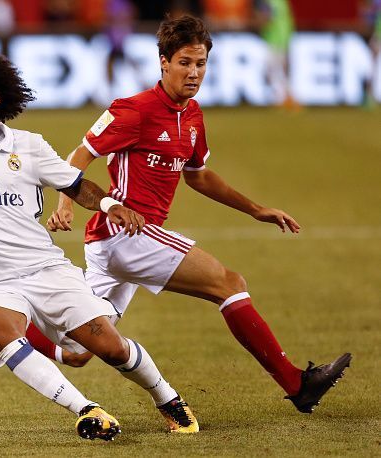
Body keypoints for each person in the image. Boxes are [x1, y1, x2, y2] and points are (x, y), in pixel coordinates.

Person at [0, 47, 200, 439]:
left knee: (105, 349)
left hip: (45, 269)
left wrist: (111, 204)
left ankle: (168, 399)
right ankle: (87, 410)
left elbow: (76, 184)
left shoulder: (27, 145)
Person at [43, 15, 349, 414]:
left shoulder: (192, 115)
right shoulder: (132, 111)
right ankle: (297, 383)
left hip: (114, 246)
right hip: (126, 231)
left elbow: (199, 177)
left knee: (82, 348)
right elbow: (80, 155)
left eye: (201, 63)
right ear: (164, 62)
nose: (194, 72)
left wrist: (256, 210)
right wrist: (65, 202)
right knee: (228, 283)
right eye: (185, 62)